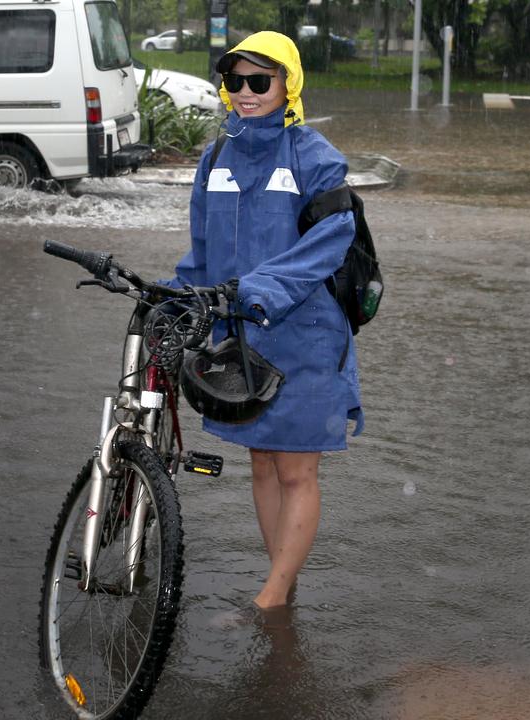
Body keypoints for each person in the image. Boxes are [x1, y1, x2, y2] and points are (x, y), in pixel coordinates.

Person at [172, 31, 364, 611]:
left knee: (296, 470)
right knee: (262, 463)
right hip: (242, 338)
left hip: (306, 335)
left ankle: (273, 597)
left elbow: (335, 237)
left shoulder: (316, 158)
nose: (247, 92)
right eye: (236, 81)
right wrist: (175, 298)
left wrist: (262, 287)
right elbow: (201, 252)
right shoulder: (215, 158)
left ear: (288, 86)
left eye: (261, 81)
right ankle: (284, 575)